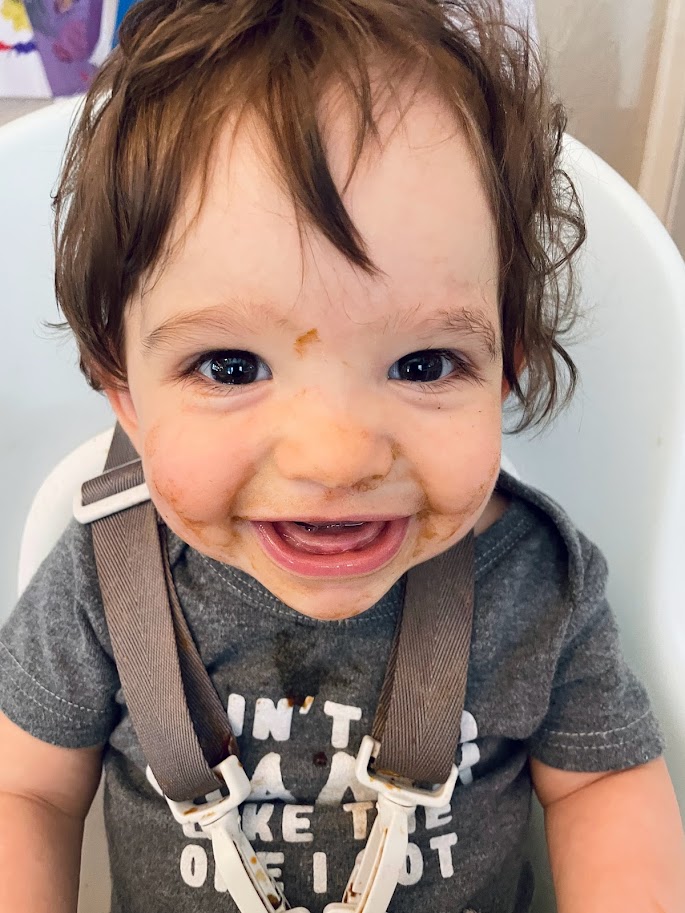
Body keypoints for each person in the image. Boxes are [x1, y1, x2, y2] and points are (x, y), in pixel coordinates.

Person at [0, 1, 684, 911]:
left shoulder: (539, 586)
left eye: (424, 363)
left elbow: (602, 786)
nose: (336, 457)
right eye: (231, 365)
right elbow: (27, 790)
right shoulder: (101, 582)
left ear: (504, 372)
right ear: (123, 389)